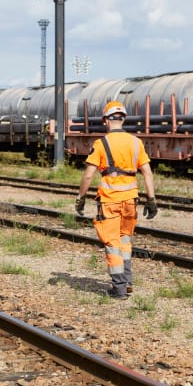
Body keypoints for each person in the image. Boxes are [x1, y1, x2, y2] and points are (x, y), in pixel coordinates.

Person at [75, 100, 157, 300]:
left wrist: (81, 197)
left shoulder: (101, 144)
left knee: (112, 243)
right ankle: (127, 282)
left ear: (106, 120)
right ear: (123, 119)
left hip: (110, 201)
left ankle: (119, 288)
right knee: (125, 240)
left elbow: (88, 175)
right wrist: (151, 199)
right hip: (131, 200)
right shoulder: (136, 142)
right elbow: (147, 173)